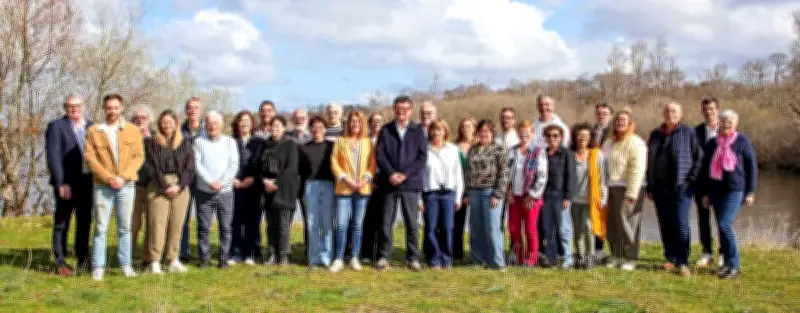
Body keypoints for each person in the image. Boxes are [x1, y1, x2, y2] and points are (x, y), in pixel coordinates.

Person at [84, 93, 145, 281]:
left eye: (115, 107)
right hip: (103, 186)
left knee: (125, 228)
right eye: (109, 107)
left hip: (126, 186)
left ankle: (126, 265)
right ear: (104, 108)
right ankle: (98, 267)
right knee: (100, 227)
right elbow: (90, 158)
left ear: (122, 107)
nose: (112, 111)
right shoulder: (94, 131)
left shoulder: (133, 130)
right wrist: (109, 177)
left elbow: (138, 157)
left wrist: (122, 177)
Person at [698, 109, 757, 279]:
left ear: (736, 124)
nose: (726, 124)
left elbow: (752, 167)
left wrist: (750, 192)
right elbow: (706, 171)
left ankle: (735, 265)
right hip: (716, 191)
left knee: (725, 224)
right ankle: (727, 265)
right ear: (719, 123)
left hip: (735, 190)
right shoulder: (712, 143)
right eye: (723, 121)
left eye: (730, 122)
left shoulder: (742, 142)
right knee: (722, 229)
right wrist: (706, 193)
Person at [647, 101, 703, 277]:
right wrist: (650, 185)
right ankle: (670, 257)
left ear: (680, 114)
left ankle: (683, 259)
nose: (670, 114)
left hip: (681, 186)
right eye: (667, 111)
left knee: (681, 223)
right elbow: (649, 161)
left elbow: (699, 157)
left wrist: (691, 178)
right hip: (660, 186)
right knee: (665, 223)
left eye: (674, 111)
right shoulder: (655, 134)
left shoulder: (688, 131)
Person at [375, 95, 428, 271]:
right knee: (385, 222)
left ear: (411, 111)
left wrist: (405, 174)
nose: (401, 112)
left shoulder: (418, 131)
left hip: (410, 184)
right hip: (388, 183)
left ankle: (413, 257)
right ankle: (384, 256)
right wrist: (391, 173)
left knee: (412, 223)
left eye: (405, 109)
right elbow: (380, 154)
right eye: (398, 109)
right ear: (394, 110)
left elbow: (421, 158)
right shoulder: (386, 130)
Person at [45, 93, 94, 277]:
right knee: (62, 222)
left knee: (85, 221)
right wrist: (61, 182)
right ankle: (61, 261)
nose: (74, 109)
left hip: (87, 182)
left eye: (77, 105)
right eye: (70, 106)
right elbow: (53, 157)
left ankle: (83, 258)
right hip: (67, 183)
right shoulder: (56, 126)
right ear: (65, 108)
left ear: (83, 106)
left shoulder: (92, 126)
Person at [143, 109, 195, 274]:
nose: (167, 125)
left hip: (180, 187)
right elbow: (152, 167)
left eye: (170, 122)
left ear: (176, 124)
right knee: (157, 224)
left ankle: (173, 260)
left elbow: (190, 168)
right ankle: (155, 261)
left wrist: (179, 186)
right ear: (159, 124)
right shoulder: (151, 143)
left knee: (177, 224)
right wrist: (165, 187)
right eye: (164, 122)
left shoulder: (185, 143)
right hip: (158, 186)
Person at [330, 111, 376, 272]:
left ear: (362, 123)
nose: (355, 123)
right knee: (341, 224)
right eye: (352, 121)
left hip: (362, 188)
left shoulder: (368, 142)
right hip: (344, 188)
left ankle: (354, 257)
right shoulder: (340, 141)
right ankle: (338, 258)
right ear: (348, 123)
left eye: (358, 121)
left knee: (357, 225)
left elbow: (372, 164)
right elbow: (334, 162)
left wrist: (365, 179)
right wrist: (345, 178)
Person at [250, 116, 299, 266]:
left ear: (284, 128)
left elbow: (291, 169)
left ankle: (283, 255)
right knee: (270, 224)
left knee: (283, 224)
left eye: (278, 125)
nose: (275, 128)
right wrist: (264, 181)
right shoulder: (264, 145)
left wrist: (275, 183)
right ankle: (272, 253)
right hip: (266, 191)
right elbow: (256, 166)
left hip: (284, 190)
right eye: (273, 125)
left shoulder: (290, 145)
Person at [193, 111, 239, 268]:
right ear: (205, 124)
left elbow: (233, 165)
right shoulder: (198, 142)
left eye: (215, 123)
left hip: (225, 192)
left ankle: (224, 258)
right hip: (204, 191)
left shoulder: (230, 142)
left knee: (225, 227)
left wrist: (221, 182)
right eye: (209, 123)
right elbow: (197, 165)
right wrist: (209, 181)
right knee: (203, 228)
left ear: (221, 125)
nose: (212, 126)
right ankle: (204, 258)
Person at [603, 108, 647, 271]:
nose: (620, 123)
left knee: (627, 224)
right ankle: (616, 255)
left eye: (623, 120)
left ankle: (630, 258)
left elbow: (638, 168)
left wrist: (632, 192)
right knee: (612, 224)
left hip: (628, 189)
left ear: (630, 124)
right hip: (610, 188)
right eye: (617, 120)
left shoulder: (636, 142)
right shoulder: (608, 143)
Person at [465, 119, 509, 271]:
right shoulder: (473, 149)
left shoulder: (499, 149)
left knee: (492, 227)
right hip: (474, 193)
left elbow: (504, 172)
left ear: (492, 133)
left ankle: (497, 262)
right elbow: (467, 172)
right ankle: (478, 260)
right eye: (481, 131)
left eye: (487, 131)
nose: (483, 134)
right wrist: (466, 193)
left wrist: (498, 194)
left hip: (491, 192)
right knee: (476, 227)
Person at [420, 119, 464, 270]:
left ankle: (447, 258)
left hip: (448, 194)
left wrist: (458, 197)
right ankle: (434, 259)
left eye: (440, 129)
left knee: (447, 227)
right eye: (434, 129)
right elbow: (420, 175)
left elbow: (458, 174)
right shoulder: (424, 149)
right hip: (430, 193)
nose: (437, 132)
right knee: (430, 228)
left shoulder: (453, 149)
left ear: (446, 131)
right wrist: (419, 198)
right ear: (430, 131)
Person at [506, 120, 547, 267]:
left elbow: (542, 176)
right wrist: (508, 190)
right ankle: (519, 257)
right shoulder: (512, 151)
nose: (524, 135)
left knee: (530, 229)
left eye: (527, 132)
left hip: (530, 197)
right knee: (514, 229)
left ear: (532, 133)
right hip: (514, 197)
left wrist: (533, 195)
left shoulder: (538, 151)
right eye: (521, 132)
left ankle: (531, 259)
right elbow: (506, 173)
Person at [569, 123, 607, 269]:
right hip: (573, 199)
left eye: (586, 135)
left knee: (587, 226)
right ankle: (580, 255)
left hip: (590, 199)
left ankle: (591, 256)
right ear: (575, 136)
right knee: (577, 228)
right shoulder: (570, 154)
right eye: (580, 135)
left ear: (590, 137)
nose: (583, 137)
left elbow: (602, 178)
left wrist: (603, 198)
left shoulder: (596, 155)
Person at [300, 116, 336, 267]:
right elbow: (300, 171)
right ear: (310, 129)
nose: (317, 129)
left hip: (329, 186)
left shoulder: (332, 146)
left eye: (320, 126)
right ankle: (314, 258)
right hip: (311, 186)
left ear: (325, 129)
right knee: (312, 223)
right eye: (314, 127)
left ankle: (327, 257)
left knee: (327, 223)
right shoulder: (304, 147)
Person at [230, 111, 264, 265]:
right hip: (234, 185)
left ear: (252, 124)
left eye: (247, 120)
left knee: (252, 220)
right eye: (241, 120)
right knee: (235, 220)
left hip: (253, 187)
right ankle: (235, 253)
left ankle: (251, 253)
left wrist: (253, 178)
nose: (244, 123)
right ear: (237, 124)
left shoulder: (259, 142)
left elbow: (262, 163)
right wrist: (232, 179)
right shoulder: (230, 141)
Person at [540, 125, 576, 269]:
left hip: (560, 195)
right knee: (548, 229)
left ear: (561, 137)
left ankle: (567, 259)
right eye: (548, 135)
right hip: (545, 195)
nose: (552, 138)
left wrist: (568, 196)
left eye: (555, 135)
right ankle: (551, 257)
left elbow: (571, 176)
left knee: (563, 228)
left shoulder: (566, 153)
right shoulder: (543, 153)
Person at [694, 97, 721, 268]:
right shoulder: (695, 131)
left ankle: (723, 254)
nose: (708, 112)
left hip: (721, 185)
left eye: (711, 108)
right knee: (703, 220)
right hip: (701, 183)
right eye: (705, 109)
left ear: (718, 110)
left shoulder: (727, 129)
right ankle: (706, 253)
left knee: (722, 221)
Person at [179, 97, 206, 263]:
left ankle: (204, 253)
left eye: (196, 107)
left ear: (200, 110)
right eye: (189, 107)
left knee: (203, 218)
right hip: (185, 179)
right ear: (186, 110)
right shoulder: (179, 130)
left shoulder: (207, 130)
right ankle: (183, 252)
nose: (192, 110)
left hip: (203, 180)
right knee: (183, 218)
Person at [286, 108, 311, 262]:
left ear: (307, 119)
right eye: (297, 117)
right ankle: (285, 251)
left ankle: (309, 251)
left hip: (307, 184)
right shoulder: (286, 137)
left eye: (303, 117)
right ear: (292, 120)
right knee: (286, 218)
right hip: (289, 184)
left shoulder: (312, 137)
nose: (300, 120)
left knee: (309, 218)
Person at [360, 111, 385, 263]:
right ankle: (367, 254)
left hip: (383, 182)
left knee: (383, 220)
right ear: (369, 123)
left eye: (379, 121)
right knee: (367, 219)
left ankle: (381, 253)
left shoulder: (387, 139)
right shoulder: (364, 140)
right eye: (373, 121)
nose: (376, 123)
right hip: (366, 182)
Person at [130, 105, 153, 263]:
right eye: (137, 118)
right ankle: (128, 255)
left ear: (149, 120)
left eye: (144, 118)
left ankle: (147, 257)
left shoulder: (156, 137)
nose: (141, 121)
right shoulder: (129, 137)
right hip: (134, 185)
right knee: (133, 224)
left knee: (152, 224)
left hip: (152, 186)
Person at [591, 103, 613, 262]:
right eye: (599, 113)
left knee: (608, 216)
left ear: (610, 115)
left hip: (611, 178)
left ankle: (608, 249)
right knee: (595, 214)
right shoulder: (592, 131)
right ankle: (595, 248)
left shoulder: (614, 131)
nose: (602, 116)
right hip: (594, 177)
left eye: (605, 113)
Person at [453, 117, 477, 263]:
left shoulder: (480, 145)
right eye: (463, 126)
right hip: (459, 190)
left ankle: (477, 253)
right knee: (458, 223)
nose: (465, 129)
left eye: (469, 126)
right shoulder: (455, 146)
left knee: (477, 224)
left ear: (474, 128)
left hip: (477, 190)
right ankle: (457, 254)